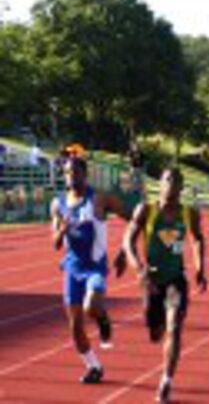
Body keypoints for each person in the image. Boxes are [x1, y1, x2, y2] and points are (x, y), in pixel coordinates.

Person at [122, 166, 207, 403]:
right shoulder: (146, 210)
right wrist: (138, 267)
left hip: (176, 279)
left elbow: (198, 239)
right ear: (160, 184)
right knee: (155, 329)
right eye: (167, 180)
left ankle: (165, 383)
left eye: (176, 181)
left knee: (175, 326)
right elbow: (128, 240)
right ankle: (156, 327)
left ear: (181, 187)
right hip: (151, 281)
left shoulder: (189, 214)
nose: (171, 185)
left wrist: (201, 267)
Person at [50, 157, 128, 384]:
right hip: (72, 269)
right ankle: (94, 366)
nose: (71, 177)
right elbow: (54, 243)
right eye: (67, 173)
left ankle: (102, 318)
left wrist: (124, 252)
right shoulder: (58, 204)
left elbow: (133, 220)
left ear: (85, 174)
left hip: (95, 267)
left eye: (75, 172)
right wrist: (62, 230)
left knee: (91, 306)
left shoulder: (100, 200)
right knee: (75, 328)